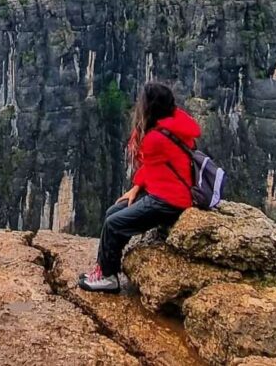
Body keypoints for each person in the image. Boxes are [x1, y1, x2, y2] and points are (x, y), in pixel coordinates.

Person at [78, 82, 201, 293]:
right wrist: (136, 187)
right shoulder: (176, 121)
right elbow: (154, 166)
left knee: (114, 223)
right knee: (114, 211)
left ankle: (108, 278)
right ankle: (105, 266)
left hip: (169, 201)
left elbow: (148, 161)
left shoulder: (154, 138)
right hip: (166, 190)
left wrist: (139, 186)